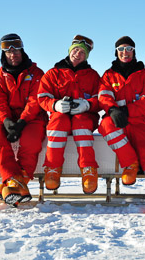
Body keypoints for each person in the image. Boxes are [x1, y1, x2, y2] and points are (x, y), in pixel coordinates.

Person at [98, 36, 145, 214]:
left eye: (129, 49)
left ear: (134, 52)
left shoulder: (144, 75)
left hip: (140, 123)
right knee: (105, 124)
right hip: (118, 122)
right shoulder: (109, 75)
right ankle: (130, 163)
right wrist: (112, 110)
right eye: (121, 49)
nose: (125, 53)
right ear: (116, 52)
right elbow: (104, 96)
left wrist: (125, 110)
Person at [0, 33, 47, 207]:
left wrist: (21, 122)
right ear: (4, 54)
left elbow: (36, 100)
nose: (14, 54)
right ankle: (15, 182)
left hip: (32, 118)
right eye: (9, 51)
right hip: (8, 118)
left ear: (22, 50)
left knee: (30, 140)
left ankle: (9, 185)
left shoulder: (36, 74)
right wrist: (6, 121)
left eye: (17, 50)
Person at [37, 35, 101, 194]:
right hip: (61, 118)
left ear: (86, 56)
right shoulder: (53, 73)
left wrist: (87, 105)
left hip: (85, 118)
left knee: (81, 121)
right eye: (76, 50)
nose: (78, 54)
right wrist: (55, 105)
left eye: (82, 52)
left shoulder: (93, 76)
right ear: (70, 51)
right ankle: (52, 168)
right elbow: (42, 97)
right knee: (58, 121)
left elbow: (101, 98)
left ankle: (88, 170)